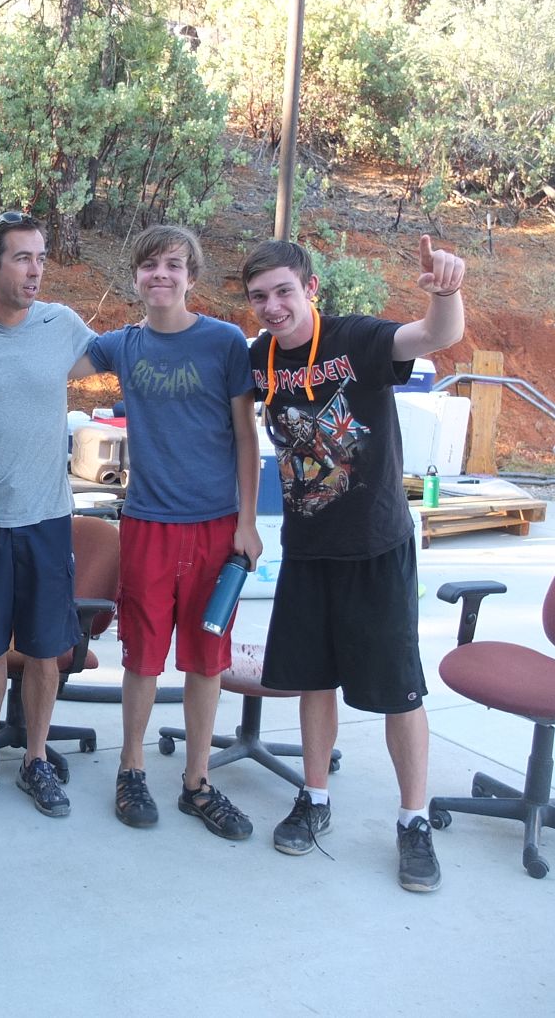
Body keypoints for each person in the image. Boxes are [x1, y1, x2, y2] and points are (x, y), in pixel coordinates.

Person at [243, 234, 465, 891]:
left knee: (399, 690)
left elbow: (433, 336)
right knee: (314, 680)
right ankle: (315, 798)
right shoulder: (259, 358)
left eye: (284, 291)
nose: (273, 306)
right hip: (308, 550)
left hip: (375, 545)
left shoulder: (356, 339)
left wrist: (447, 292)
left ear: (311, 289)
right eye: (259, 296)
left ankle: (413, 820)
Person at [84, 225, 262, 840]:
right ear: (135, 277)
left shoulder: (224, 342)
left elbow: (246, 437)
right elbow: (48, 356)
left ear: (191, 277)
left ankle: (197, 782)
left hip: (215, 528)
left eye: (173, 265)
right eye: (149, 265)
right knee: (142, 656)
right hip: (148, 525)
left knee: (206, 660)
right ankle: (131, 770)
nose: (160, 274)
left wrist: (247, 523)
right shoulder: (122, 345)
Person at [0, 211, 96, 818]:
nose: (36, 271)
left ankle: (35, 758)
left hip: (46, 518)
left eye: (41, 258)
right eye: (23, 258)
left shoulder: (63, 325)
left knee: (44, 647)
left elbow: (127, 357)